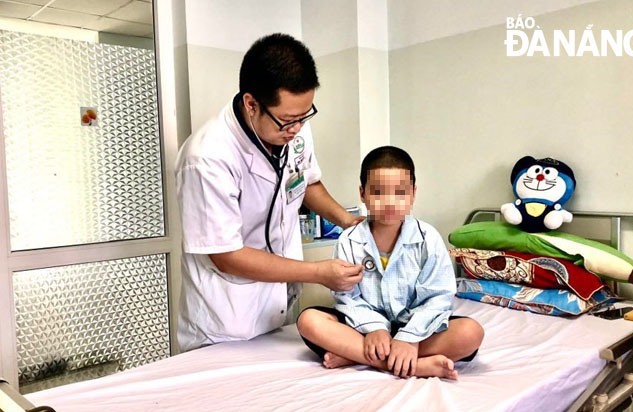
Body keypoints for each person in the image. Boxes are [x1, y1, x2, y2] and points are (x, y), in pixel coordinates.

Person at [175, 33, 364, 352]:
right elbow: (226, 256)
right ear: (251, 103)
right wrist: (319, 273)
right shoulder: (206, 158)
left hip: (277, 309)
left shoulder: (294, 125)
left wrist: (348, 221)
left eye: (305, 116)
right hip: (226, 322)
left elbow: (306, 182)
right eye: (288, 121)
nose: (297, 129)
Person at [297, 146, 484, 379]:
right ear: (362, 193)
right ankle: (415, 366)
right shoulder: (350, 240)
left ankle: (357, 355)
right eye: (378, 192)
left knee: (470, 333)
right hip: (365, 330)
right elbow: (347, 297)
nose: (389, 202)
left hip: (417, 327)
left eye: (400, 192)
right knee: (309, 321)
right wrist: (374, 328)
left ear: (413, 193)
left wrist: (409, 337)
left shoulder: (428, 239)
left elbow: (438, 298)